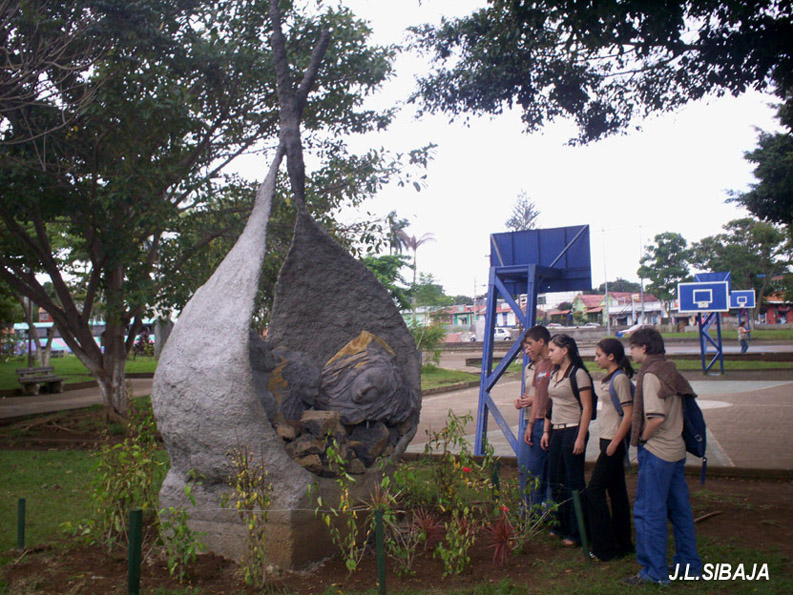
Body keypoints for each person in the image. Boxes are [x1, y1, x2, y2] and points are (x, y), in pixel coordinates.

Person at [622, 327, 702, 585]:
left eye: (633, 347)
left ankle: (654, 572)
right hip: (676, 449)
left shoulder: (650, 375)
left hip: (658, 451)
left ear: (643, 349)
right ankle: (689, 564)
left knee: (648, 512)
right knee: (680, 510)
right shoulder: (670, 370)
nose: (630, 352)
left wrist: (643, 438)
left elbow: (656, 417)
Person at [541, 333, 593, 547]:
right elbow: (550, 405)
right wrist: (547, 430)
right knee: (555, 479)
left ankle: (577, 530)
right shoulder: (555, 372)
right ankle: (561, 523)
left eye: (553, 350)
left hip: (573, 430)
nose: (550, 354)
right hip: (557, 430)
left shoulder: (579, 374)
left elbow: (587, 407)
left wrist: (581, 437)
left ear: (565, 350)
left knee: (573, 481)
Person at [587, 338, 635, 561]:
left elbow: (629, 413)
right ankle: (622, 542)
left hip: (613, 442)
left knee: (594, 490)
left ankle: (603, 546)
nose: (596, 359)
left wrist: (615, 443)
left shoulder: (620, 379)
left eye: (598, 355)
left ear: (611, 356)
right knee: (617, 493)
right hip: (606, 440)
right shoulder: (610, 379)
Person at [513, 326, 554, 510]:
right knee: (526, 466)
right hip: (531, 419)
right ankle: (529, 506)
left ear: (541, 342)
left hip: (545, 421)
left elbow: (546, 395)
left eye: (529, 345)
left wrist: (535, 402)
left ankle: (541, 507)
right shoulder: (533, 368)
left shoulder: (552, 366)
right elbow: (535, 393)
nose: (527, 350)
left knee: (539, 468)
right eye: (525, 347)